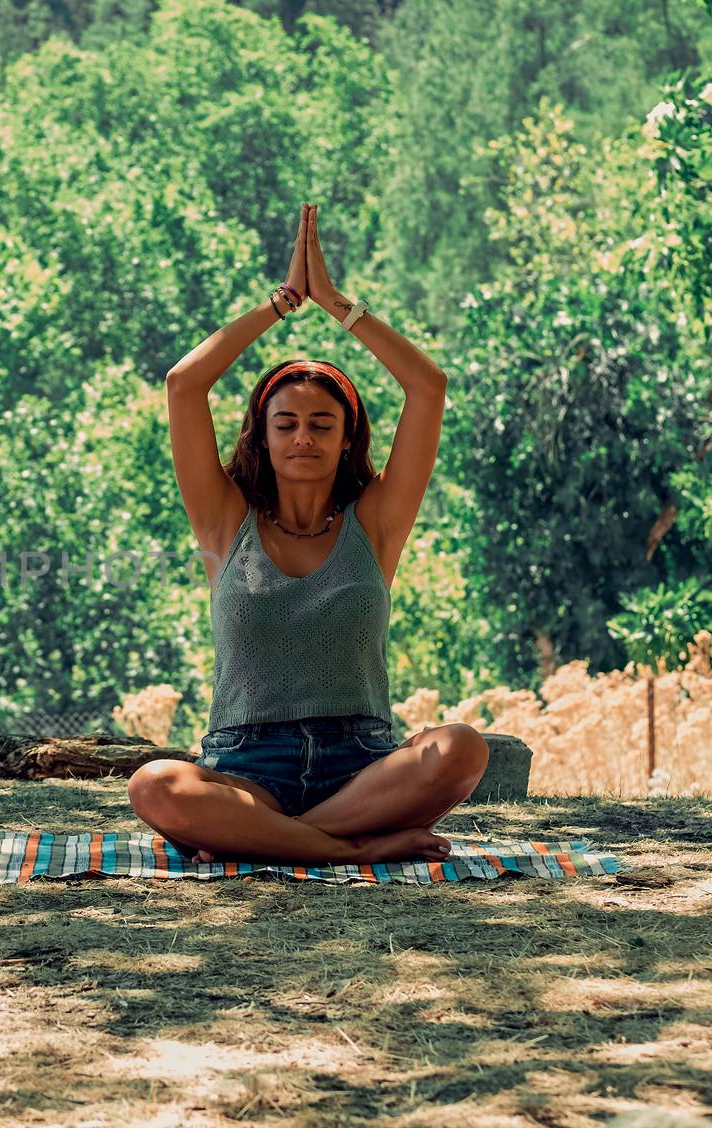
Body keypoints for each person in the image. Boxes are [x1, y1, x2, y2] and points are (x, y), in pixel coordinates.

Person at [128, 203, 489, 866]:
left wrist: (338, 305)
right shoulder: (224, 522)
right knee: (155, 783)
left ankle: (276, 845)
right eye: (285, 422)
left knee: (462, 747)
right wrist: (283, 303)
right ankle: (347, 851)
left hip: (362, 771)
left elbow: (428, 387)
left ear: (347, 438)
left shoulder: (375, 525)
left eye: (322, 424)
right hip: (246, 772)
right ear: (260, 437)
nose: (302, 436)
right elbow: (184, 385)